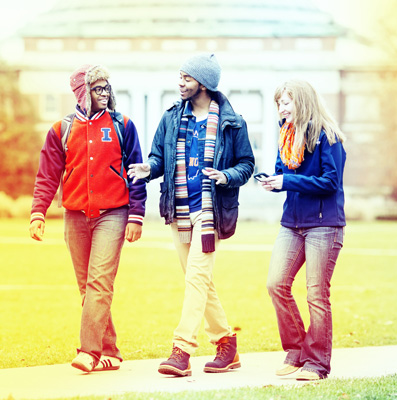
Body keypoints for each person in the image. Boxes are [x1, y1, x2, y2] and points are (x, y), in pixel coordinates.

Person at [128, 53, 255, 377]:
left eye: (186, 78)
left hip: (210, 211)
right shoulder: (171, 118)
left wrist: (226, 176)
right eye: (180, 76)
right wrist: (148, 168)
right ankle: (227, 344)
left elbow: (246, 164)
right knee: (198, 280)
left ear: (204, 83)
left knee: (196, 278)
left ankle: (182, 350)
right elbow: (159, 157)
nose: (180, 83)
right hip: (178, 210)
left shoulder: (233, 121)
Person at [29, 64, 146, 373]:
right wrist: (38, 212)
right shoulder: (61, 130)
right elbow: (47, 175)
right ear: (83, 93)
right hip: (75, 216)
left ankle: (89, 351)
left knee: (99, 282)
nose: (105, 94)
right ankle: (111, 351)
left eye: (107, 88)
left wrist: (137, 215)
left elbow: (137, 173)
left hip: (114, 214)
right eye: (98, 89)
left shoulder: (123, 125)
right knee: (88, 287)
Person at [259, 80, 346, 380]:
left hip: (324, 225)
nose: (281, 109)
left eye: (286, 102)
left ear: (303, 101)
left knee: (316, 296)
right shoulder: (287, 135)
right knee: (275, 284)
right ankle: (296, 352)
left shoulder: (328, 137)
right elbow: (284, 174)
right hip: (292, 224)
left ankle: (318, 364)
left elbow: (329, 182)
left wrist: (287, 182)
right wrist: (274, 181)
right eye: (279, 103)